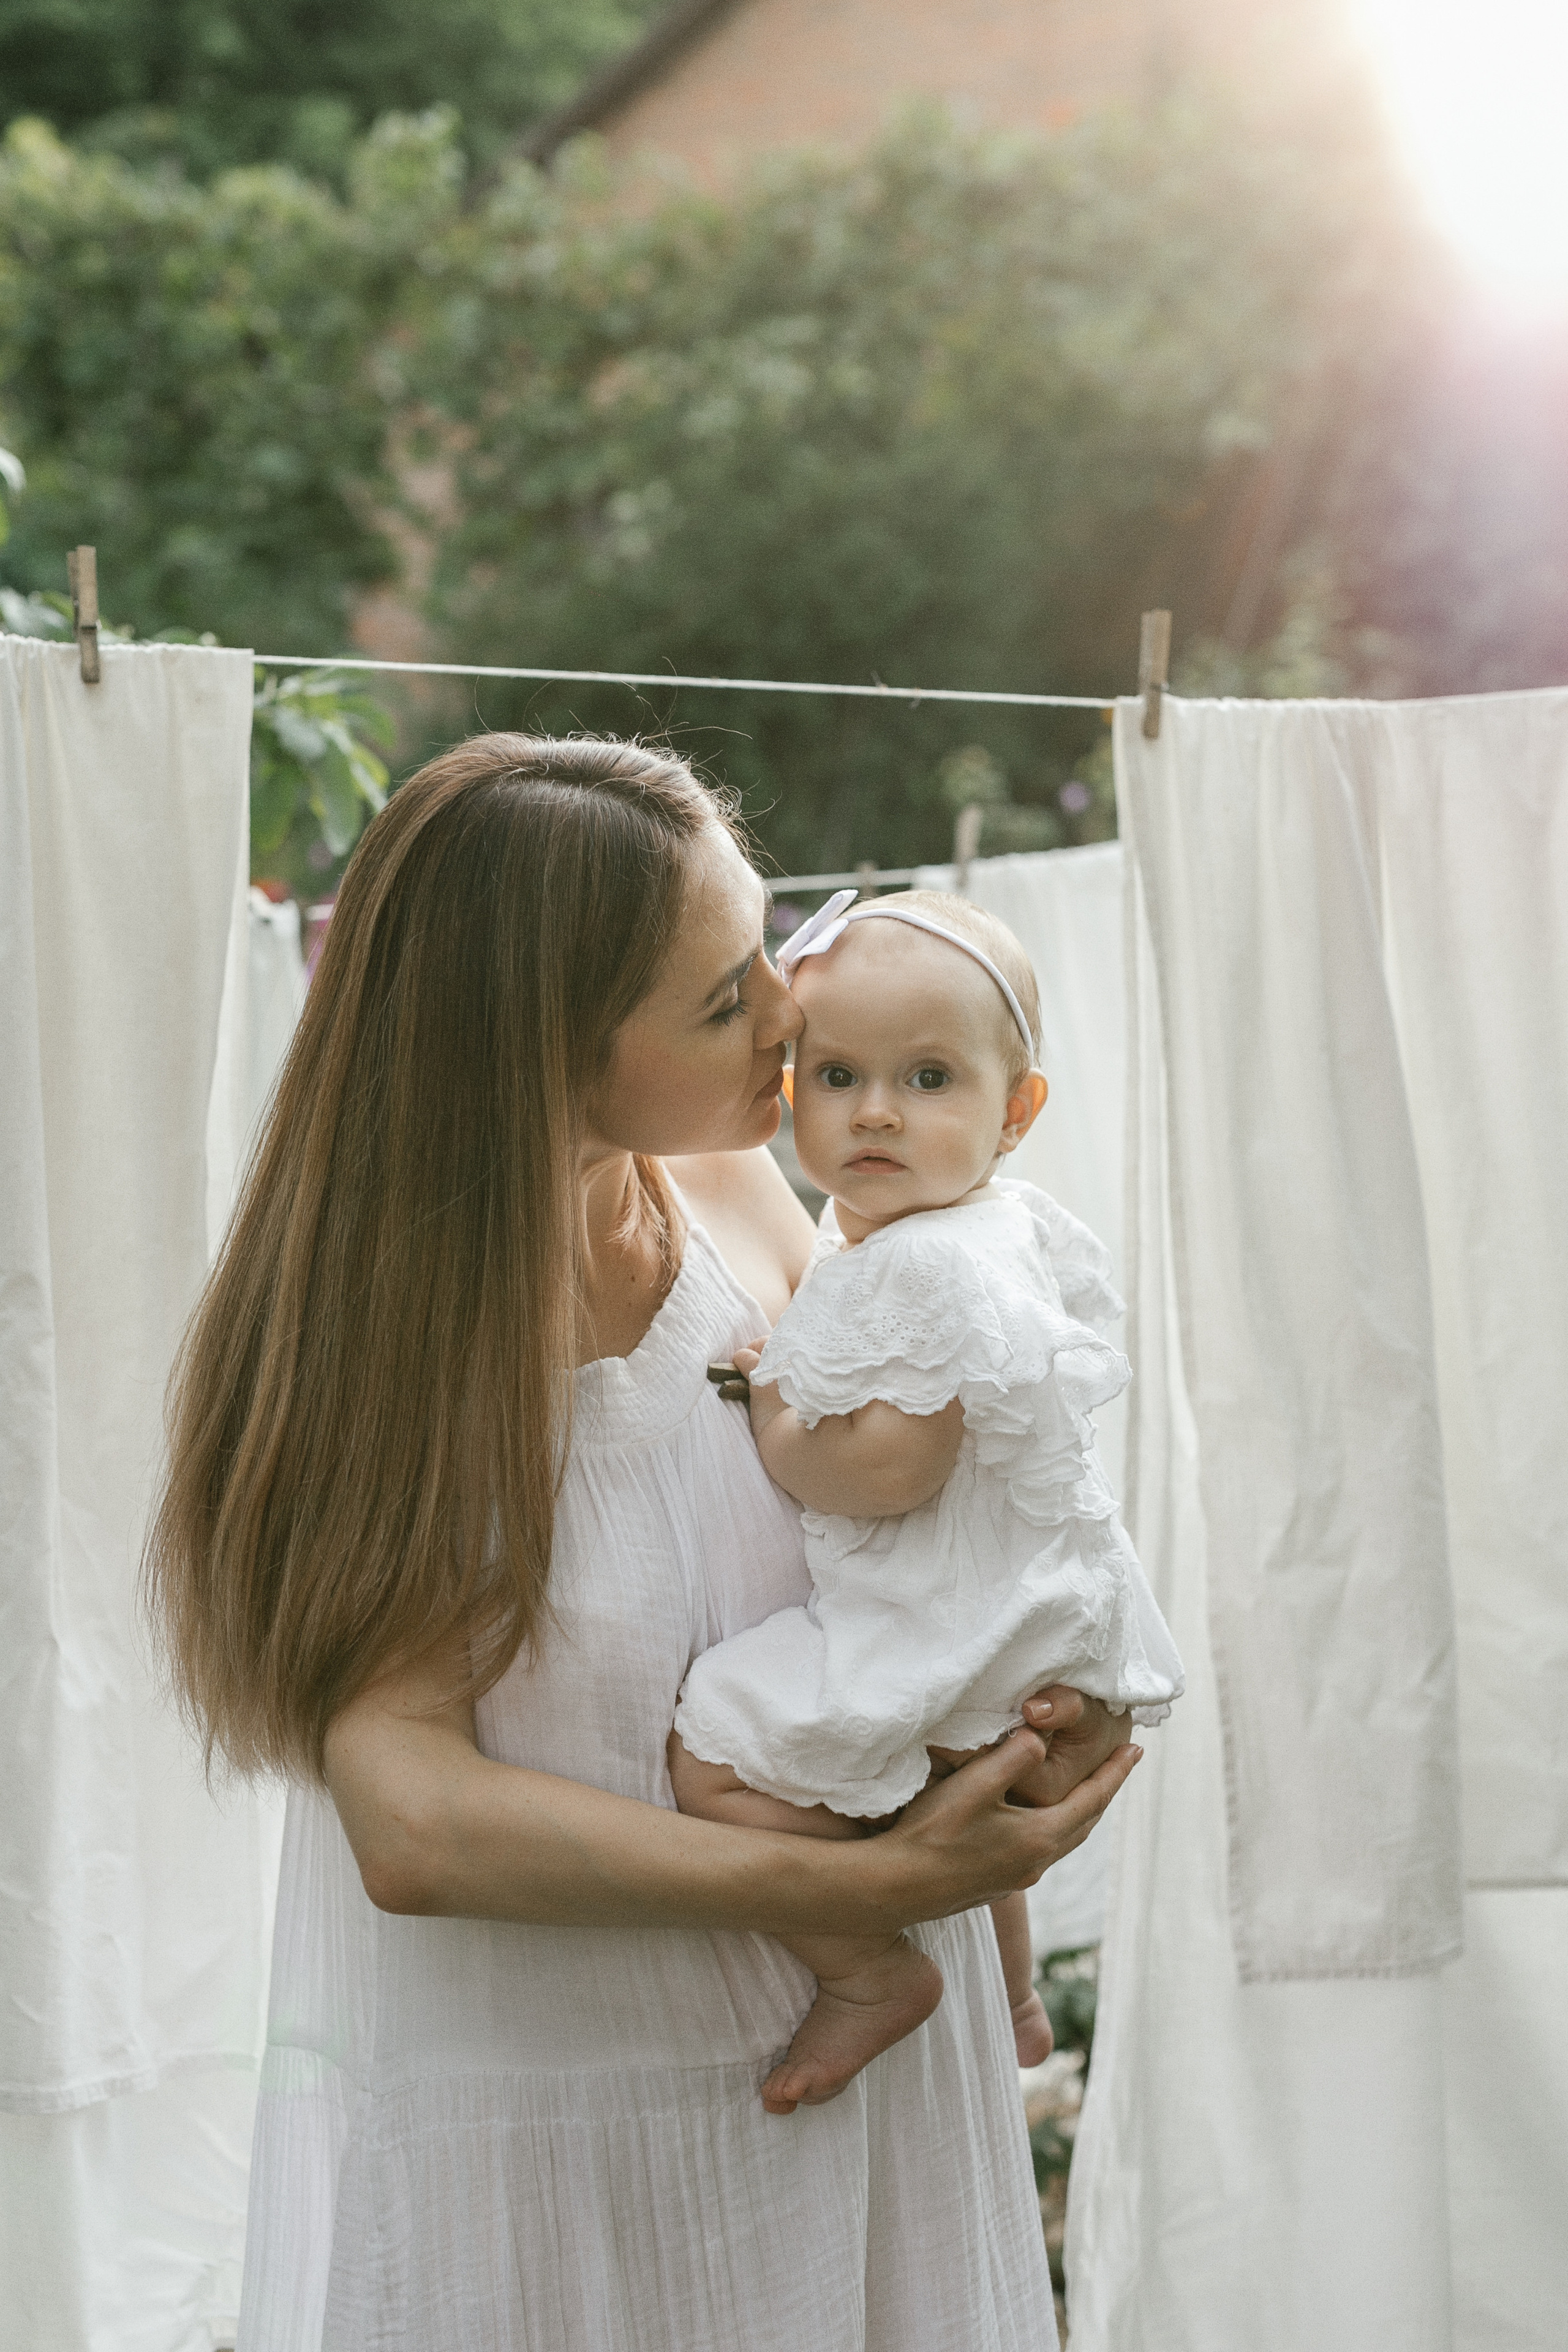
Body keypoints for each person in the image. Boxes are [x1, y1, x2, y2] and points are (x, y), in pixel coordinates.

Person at [145, 736, 1141, 2352]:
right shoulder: (411, 1347)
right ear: (542, 1055)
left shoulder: (750, 1206)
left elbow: (885, 1545)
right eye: (720, 999)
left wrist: (1025, 1706)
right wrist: (878, 1885)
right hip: (574, 2159)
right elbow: (411, 1823)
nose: (790, 1009)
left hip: (861, 2110)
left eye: (766, 943)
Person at [670, 889, 1184, 2118]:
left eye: (928, 1078)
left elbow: (887, 1468)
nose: (876, 1112)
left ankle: (861, 1970)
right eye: (836, 1073)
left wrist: (774, 1413)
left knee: (714, 1747)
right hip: (1025, 1609)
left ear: (1015, 1111)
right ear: (790, 1085)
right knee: (945, 1783)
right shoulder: (997, 1226)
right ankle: (1008, 1993)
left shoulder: (910, 1268)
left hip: (945, 1616)